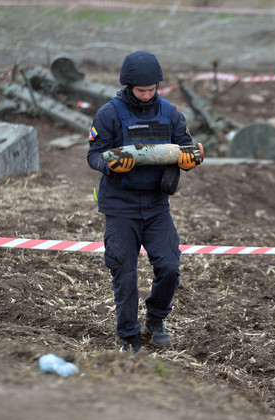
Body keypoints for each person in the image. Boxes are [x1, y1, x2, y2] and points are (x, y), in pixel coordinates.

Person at [87, 51, 202, 354]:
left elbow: (186, 147)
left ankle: (156, 318)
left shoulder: (170, 113)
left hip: (156, 206)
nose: (148, 95)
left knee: (170, 267)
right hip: (120, 207)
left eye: (152, 89)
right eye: (142, 91)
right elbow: (93, 154)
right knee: (124, 273)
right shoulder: (109, 114)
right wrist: (110, 165)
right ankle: (128, 335)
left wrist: (190, 158)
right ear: (128, 87)